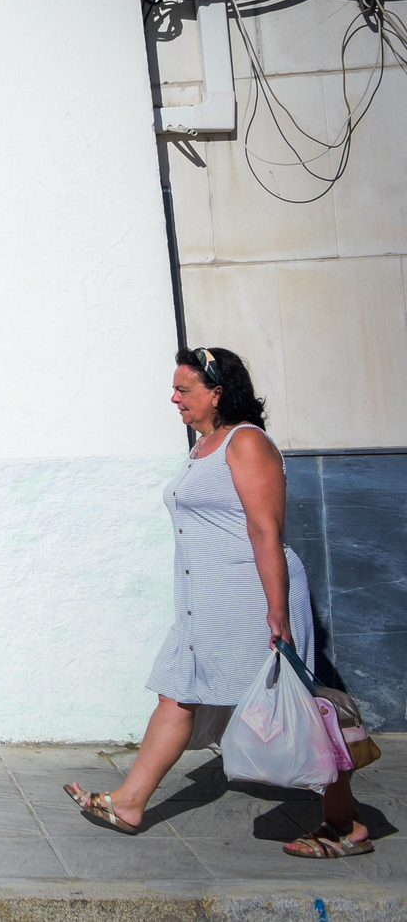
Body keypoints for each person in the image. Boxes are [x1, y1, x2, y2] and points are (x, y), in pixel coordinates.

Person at [64, 347, 373, 859]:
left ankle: (347, 823)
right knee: (178, 692)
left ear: (217, 392)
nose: (174, 398)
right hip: (203, 603)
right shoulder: (203, 446)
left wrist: (277, 611)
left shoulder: (246, 442)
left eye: (184, 389)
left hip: (251, 598)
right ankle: (130, 802)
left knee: (295, 708)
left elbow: (265, 529)